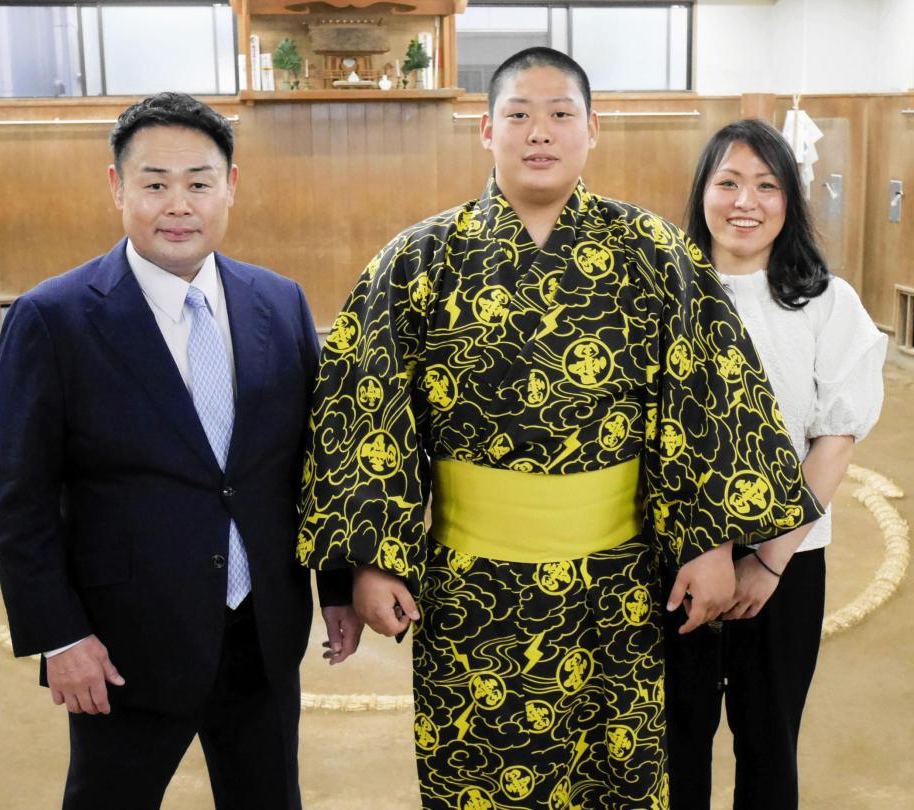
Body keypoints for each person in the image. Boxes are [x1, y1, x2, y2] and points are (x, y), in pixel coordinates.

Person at [298, 49, 822, 809]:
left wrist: (711, 543)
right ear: (485, 130)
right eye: (518, 115)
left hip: (618, 584)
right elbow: (362, 416)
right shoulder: (415, 261)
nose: (538, 132)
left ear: (592, 129)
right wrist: (370, 564)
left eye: (559, 115)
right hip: (472, 588)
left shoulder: (653, 252)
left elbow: (707, 394)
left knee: (616, 781)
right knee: (482, 777)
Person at [0, 92, 361, 810]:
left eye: (199, 182)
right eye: (155, 183)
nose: (178, 204)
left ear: (231, 186)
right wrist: (59, 637)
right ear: (117, 188)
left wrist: (335, 588)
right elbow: (20, 500)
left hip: (262, 632)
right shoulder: (53, 318)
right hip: (125, 643)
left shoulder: (278, 302)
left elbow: (315, 466)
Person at [664, 118, 886, 809]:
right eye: (727, 182)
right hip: (674, 561)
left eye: (766, 185)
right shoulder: (663, 294)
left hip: (786, 563)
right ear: (702, 192)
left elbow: (835, 440)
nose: (745, 201)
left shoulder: (826, 301)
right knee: (676, 741)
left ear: (790, 199)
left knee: (768, 742)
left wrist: (766, 561)